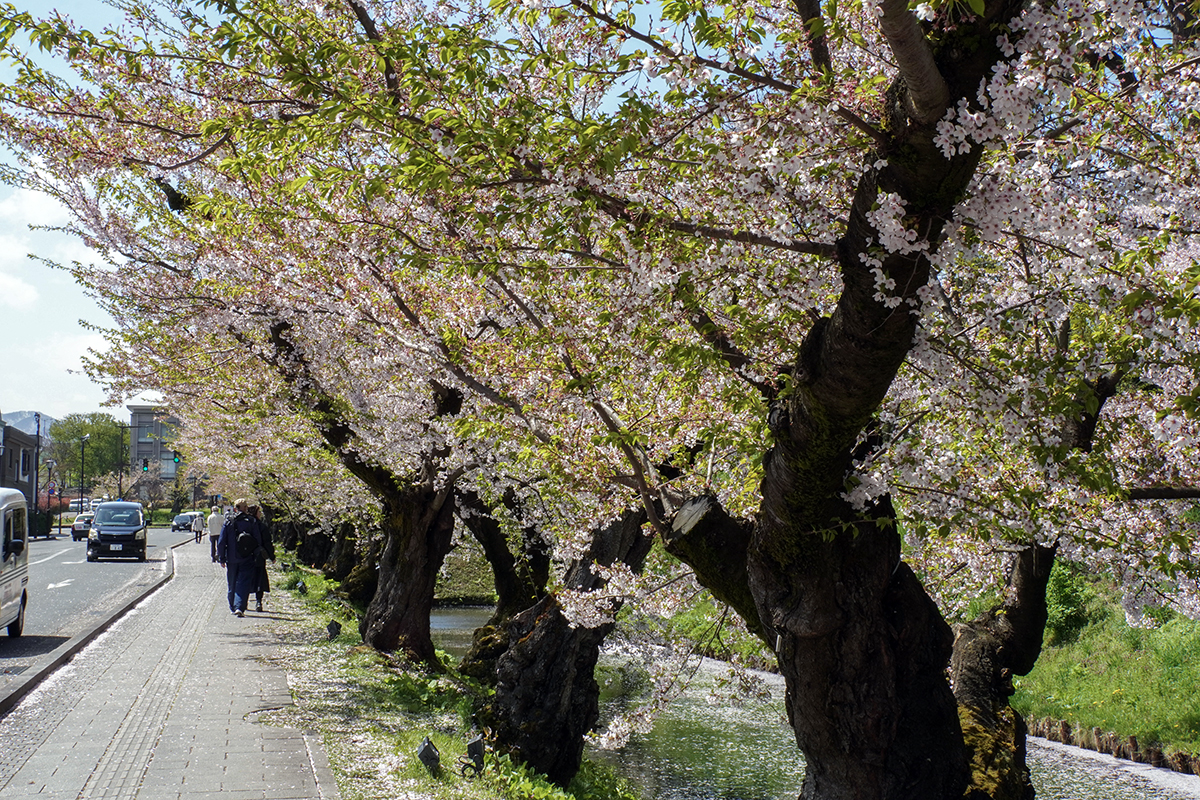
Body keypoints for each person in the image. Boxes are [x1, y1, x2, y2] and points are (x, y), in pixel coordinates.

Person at [216, 499, 264, 617]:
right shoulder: (251, 521)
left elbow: (221, 541)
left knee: (232, 582)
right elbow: (258, 540)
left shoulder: (229, 522)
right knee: (243, 583)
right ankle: (240, 607)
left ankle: (232, 606)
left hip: (232, 558)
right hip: (247, 557)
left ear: (235, 508)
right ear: (245, 508)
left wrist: (221, 557)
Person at [248, 504, 275, 612]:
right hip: (258, 556)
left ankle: (242, 602)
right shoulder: (261, 526)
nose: (261, 514)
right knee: (259, 579)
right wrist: (271, 556)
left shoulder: (245, 524)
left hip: (246, 556)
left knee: (246, 578)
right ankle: (258, 601)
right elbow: (267, 542)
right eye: (259, 512)